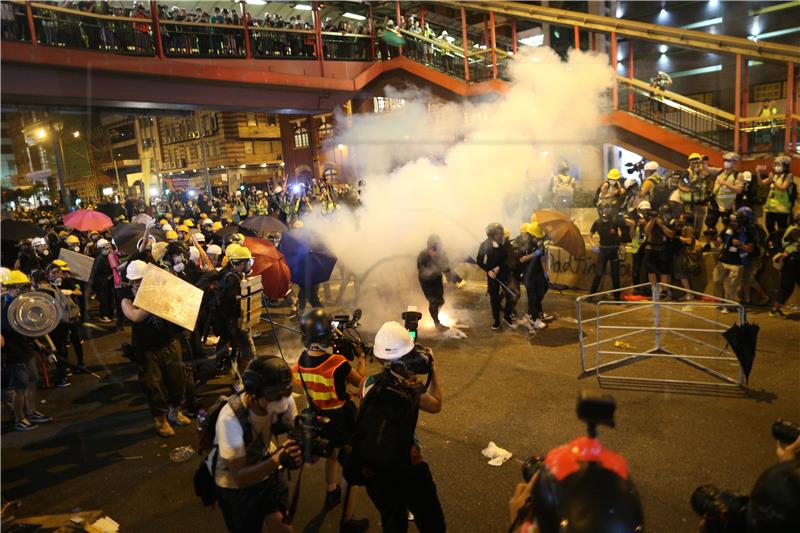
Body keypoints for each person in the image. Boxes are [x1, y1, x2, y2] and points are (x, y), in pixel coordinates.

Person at [348, 321, 445, 533]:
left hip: (375, 471)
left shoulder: (368, 384)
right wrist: (433, 369)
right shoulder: (410, 388)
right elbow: (436, 404)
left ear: (381, 357)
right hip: (407, 465)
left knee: (393, 520)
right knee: (431, 520)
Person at [293, 309, 369, 532]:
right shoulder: (338, 362)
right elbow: (360, 382)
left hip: (317, 417)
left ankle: (331, 492)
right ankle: (347, 520)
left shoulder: (302, 360)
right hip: (341, 419)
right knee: (352, 467)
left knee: (333, 455)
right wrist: (362, 358)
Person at [211, 356, 302, 533]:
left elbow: (294, 434)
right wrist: (278, 458)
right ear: (253, 394)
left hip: (268, 472)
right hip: (234, 487)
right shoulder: (230, 419)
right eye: (274, 396)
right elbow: (240, 477)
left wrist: (300, 447)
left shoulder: (283, 397)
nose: (283, 402)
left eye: (286, 393)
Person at [121, 260, 190, 437]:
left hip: (169, 343)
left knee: (177, 380)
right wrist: (155, 299)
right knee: (154, 386)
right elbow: (135, 316)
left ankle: (174, 412)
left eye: (141, 281)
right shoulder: (126, 298)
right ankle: (161, 420)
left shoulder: (158, 292)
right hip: (147, 350)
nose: (138, 285)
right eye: (135, 282)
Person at [1, 270, 53, 431]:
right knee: (20, 386)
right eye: (19, 287)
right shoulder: (4, 307)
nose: (23, 291)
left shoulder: (20, 304)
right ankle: (19, 418)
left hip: (25, 349)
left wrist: (37, 341)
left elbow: (28, 328)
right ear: (9, 288)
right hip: (13, 353)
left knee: (33, 379)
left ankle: (31, 411)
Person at [216, 244, 257, 384]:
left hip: (237, 322)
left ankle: (238, 377)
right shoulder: (231, 279)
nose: (250, 265)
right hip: (237, 322)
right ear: (242, 263)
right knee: (249, 353)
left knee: (244, 352)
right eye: (249, 262)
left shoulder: (235, 275)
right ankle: (238, 381)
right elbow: (232, 302)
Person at [417, 235, 463, 331]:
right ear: (428, 248)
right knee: (433, 301)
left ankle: (435, 315)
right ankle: (437, 323)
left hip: (437, 278)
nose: (435, 252)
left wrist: (455, 279)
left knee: (441, 301)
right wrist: (436, 270)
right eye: (432, 250)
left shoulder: (442, 254)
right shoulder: (422, 256)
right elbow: (423, 273)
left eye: (436, 250)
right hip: (426, 282)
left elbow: (447, 267)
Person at [477, 222, 515, 330]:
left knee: (510, 296)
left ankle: (507, 316)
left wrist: (499, 267)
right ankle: (496, 320)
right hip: (492, 275)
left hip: (505, 273)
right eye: (498, 233)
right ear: (491, 234)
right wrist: (488, 270)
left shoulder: (505, 243)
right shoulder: (485, 244)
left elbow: (510, 257)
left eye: (501, 233)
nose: (501, 235)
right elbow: (479, 261)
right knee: (494, 298)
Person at [712, 212, 753, 311]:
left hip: (737, 264)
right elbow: (717, 243)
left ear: (741, 222)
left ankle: (728, 306)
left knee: (730, 286)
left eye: (735, 221)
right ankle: (722, 301)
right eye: (732, 221)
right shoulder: (727, 231)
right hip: (723, 261)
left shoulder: (747, 233)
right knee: (716, 281)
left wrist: (740, 244)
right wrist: (713, 238)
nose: (732, 223)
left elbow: (750, 249)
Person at [588, 202, 624, 300]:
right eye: (604, 209)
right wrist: (593, 245)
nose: (606, 211)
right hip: (603, 250)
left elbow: (621, 233)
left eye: (608, 209)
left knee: (615, 275)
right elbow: (590, 235)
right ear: (600, 211)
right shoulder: (597, 222)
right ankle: (591, 295)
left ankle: (617, 297)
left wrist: (619, 243)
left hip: (613, 249)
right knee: (599, 273)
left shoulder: (615, 221)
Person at [518, 222, 549, 329]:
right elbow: (521, 259)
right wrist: (534, 254)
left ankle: (532, 312)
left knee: (542, 291)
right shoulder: (524, 244)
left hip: (539, 272)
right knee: (532, 296)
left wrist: (546, 272)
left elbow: (543, 258)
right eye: (537, 237)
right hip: (528, 274)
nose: (539, 239)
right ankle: (534, 318)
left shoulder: (540, 243)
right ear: (531, 235)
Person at [769, 220, 800, 318]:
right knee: (786, 287)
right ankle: (774, 310)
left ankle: (775, 309)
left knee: (787, 286)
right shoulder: (795, 230)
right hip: (792, 262)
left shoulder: (792, 228)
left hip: (793, 261)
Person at [644, 204, 676, 296]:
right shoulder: (654, 221)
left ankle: (664, 291)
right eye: (663, 213)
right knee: (651, 270)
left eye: (667, 214)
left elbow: (671, 235)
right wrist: (652, 220)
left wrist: (662, 225)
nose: (665, 215)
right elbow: (646, 231)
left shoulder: (671, 222)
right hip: (653, 248)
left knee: (664, 271)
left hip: (664, 248)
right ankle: (654, 290)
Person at [761, 155, 795, 236]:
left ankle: (780, 244)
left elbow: (783, 188)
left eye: (779, 165)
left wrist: (772, 180)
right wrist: (758, 173)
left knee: (782, 229)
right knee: (769, 226)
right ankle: (775, 241)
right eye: (775, 164)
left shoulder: (788, 175)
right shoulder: (775, 176)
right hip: (770, 208)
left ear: (785, 166)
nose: (776, 167)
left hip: (782, 209)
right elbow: (761, 183)